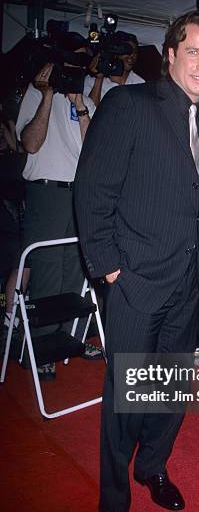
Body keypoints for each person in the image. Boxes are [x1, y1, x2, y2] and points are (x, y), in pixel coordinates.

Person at [74, 11, 199, 512]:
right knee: (124, 400)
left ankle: (154, 470)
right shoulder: (129, 106)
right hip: (136, 283)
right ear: (169, 55)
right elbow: (92, 193)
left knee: (167, 391)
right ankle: (113, 504)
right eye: (195, 51)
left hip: (187, 285)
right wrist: (112, 270)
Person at [16, 32, 101, 380]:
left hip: (78, 192)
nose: (74, 67)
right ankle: (39, 347)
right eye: (71, 59)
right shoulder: (38, 93)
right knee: (48, 270)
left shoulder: (88, 102)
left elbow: (95, 152)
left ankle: (65, 338)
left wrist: (79, 104)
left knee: (74, 270)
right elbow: (31, 144)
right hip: (47, 192)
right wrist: (49, 93)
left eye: (81, 60)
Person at [84, 31, 145, 106]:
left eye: (135, 52)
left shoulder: (140, 83)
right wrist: (99, 79)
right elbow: (90, 113)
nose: (131, 56)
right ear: (116, 52)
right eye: (127, 51)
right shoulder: (91, 81)